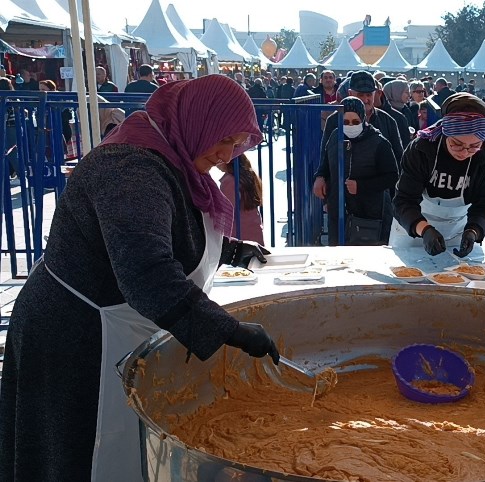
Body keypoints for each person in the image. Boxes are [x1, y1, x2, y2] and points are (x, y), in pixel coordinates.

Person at [0, 75, 280, 481]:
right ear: (197, 121)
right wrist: (229, 331)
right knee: (76, 453)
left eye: (238, 144)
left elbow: (165, 229)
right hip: (74, 336)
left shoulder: (172, 153)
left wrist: (231, 250)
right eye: (224, 139)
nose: (228, 154)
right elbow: (146, 271)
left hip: (112, 324)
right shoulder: (130, 167)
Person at [392, 93, 485, 257]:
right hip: (413, 227)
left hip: (459, 231)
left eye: (474, 146)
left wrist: (474, 230)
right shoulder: (421, 149)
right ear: (445, 133)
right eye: (457, 144)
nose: (465, 152)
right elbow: (404, 200)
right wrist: (425, 229)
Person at [315, 97, 398, 246]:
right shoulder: (335, 136)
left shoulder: (379, 142)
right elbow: (327, 161)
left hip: (370, 215)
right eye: (345, 122)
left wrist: (362, 186)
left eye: (355, 122)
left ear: (363, 119)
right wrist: (319, 177)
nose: (350, 126)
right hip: (339, 212)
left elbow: (392, 176)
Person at [218, 153, 264, 244]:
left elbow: (225, 212)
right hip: (254, 232)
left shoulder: (229, 182)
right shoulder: (249, 176)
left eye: (219, 158)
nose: (216, 163)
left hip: (239, 235)